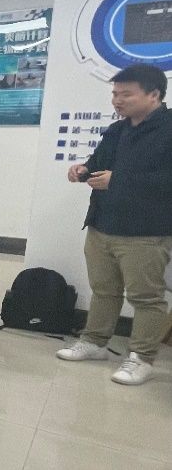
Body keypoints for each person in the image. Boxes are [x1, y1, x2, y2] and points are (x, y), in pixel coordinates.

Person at [57, 64, 172, 386]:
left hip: (146, 232)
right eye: (115, 94)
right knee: (104, 290)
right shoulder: (117, 130)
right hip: (102, 224)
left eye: (126, 94)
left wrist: (118, 180)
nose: (117, 101)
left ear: (154, 94)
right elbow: (99, 165)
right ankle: (94, 342)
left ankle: (142, 358)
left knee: (147, 298)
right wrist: (82, 170)